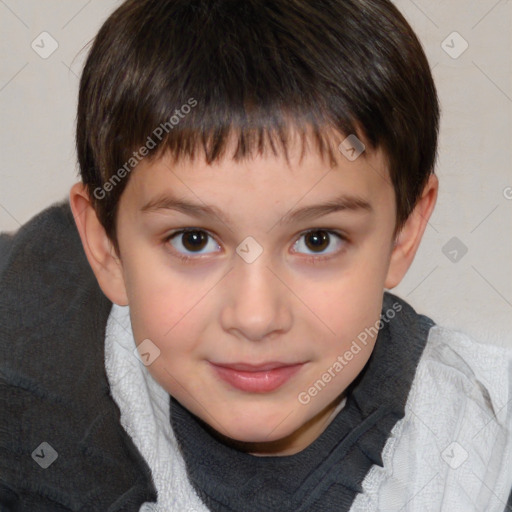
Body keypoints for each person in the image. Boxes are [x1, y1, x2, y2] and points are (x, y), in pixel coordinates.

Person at [1, 0, 511, 510]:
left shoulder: (481, 453)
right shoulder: (30, 391)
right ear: (106, 248)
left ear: (404, 231)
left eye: (317, 240)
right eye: (194, 240)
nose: (256, 316)